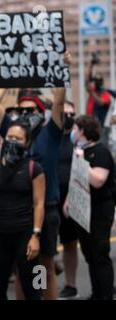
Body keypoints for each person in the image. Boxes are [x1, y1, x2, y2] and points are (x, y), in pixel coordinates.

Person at [0, 121, 45, 300]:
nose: (13, 141)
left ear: (27, 143)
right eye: (10, 137)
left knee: (34, 289)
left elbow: (39, 203)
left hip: (25, 235)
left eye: (18, 138)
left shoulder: (34, 169)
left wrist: (36, 236)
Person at [64, 115, 115, 300]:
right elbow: (76, 179)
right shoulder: (80, 151)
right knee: (90, 255)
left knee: (100, 256)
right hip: (83, 211)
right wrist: (68, 200)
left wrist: (82, 161)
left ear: (83, 131)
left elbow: (98, 181)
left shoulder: (100, 152)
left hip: (99, 212)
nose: (73, 133)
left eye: (76, 129)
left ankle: (106, 295)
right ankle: (97, 293)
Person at [57, 101, 80, 299]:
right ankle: (39, 287)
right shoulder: (49, 136)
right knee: (42, 249)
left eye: (71, 114)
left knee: (71, 243)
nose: (67, 117)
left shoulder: (77, 138)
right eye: (63, 114)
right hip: (48, 201)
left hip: (71, 201)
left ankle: (71, 285)